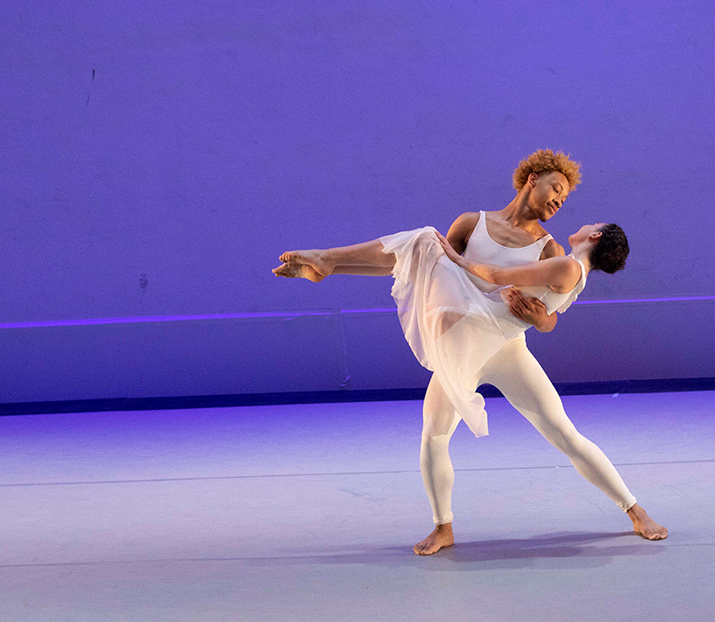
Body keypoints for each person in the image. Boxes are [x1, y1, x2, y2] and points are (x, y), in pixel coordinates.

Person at [274, 150, 667, 554]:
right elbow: (430, 271)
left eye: (564, 199)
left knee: (563, 432)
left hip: (506, 347)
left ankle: (635, 511)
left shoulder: (552, 252)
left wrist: (536, 317)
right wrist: (454, 270)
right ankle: (442, 527)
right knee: (433, 433)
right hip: (461, 345)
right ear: (531, 178)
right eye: (556, 188)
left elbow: (551, 316)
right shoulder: (470, 223)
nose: (558, 201)